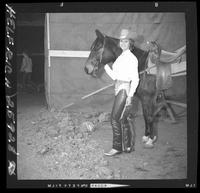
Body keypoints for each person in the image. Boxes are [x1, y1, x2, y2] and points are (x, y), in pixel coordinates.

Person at [103, 29, 140, 156]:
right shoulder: (121, 57)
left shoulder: (131, 58)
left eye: (126, 41)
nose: (123, 43)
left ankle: (117, 147)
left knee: (114, 118)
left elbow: (135, 79)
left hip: (124, 89)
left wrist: (130, 95)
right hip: (119, 87)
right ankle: (127, 146)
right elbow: (115, 76)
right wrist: (105, 66)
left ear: (130, 43)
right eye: (121, 41)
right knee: (122, 119)